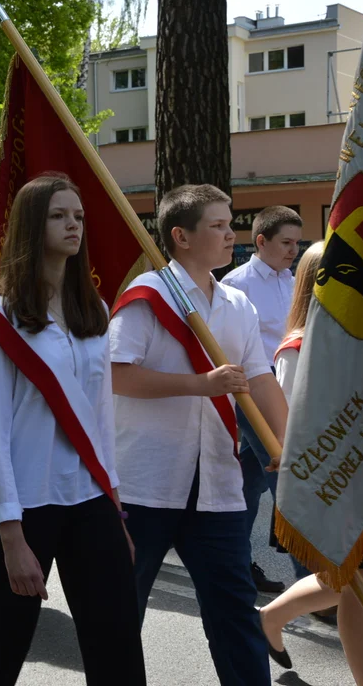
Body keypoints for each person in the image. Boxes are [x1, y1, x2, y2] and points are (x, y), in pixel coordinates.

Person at [0, 175, 145, 686]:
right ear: (31, 225)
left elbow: (102, 421)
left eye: (78, 216)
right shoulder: (6, 317)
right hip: (27, 505)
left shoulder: (95, 311)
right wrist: (10, 535)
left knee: (118, 645)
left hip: (90, 499)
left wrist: (117, 510)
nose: (73, 225)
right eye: (60, 215)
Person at [109, 184, 289, 685]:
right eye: (217, 225)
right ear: (180, 236)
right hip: (145, 485)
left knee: (235, 615)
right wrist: (199, 385)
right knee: (123, 616)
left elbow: (259, 379)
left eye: (230, 223)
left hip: (217, 489)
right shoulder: (147, 297)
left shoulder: (237, 303)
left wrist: (289, 444)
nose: (231, 233)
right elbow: (116, 373)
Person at [258, 242, 363, 685]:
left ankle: (270, 618)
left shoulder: (360, 344)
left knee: (354, 580)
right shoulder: (297, 348)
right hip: (329, 485)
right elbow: (291, 424)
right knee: (358, 579)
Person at [221, 205, 306, 593]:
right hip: (255, 392)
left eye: (296, 243)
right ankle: (313, 584)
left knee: (249, 481)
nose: (293, 250)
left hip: (290, 389)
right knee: (287, 481)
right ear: (261, 241)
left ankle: (230, 561)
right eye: (285, 242)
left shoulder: (293, 280)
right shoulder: (238, 284)